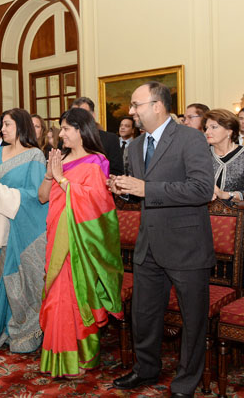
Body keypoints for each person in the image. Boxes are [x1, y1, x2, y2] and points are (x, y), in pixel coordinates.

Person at [110, 82, 214, 397]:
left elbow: (201, 190)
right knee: (143, 315)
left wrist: (146, 189)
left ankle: (186, 381)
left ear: (157, 105)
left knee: (193, 321)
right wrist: (125, 188)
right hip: (149, 245)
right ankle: (146, 368)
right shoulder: (137, 146)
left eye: (136, 104)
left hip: (186, 246)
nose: (130, 111)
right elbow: (143, 191)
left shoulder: (190, 138)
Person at [37, 108, 123, 377]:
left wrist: (63, 180)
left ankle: (83, 358)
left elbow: (99, 202)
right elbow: (42, 197)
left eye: (65, 129)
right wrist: (51, 175)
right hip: (57, 237)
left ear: (80, 130)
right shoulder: (58, 159)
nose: (60, 134)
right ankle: (58, 359)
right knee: (56, 297)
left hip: (81, 243)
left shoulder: (96, 161)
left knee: (78, 296)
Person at [0, 108, 48, 353]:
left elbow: (38, 194)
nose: (2, 129)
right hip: (3, 225)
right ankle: (9, 329)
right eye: (1, 125)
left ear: (21, 126)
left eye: (6, 124)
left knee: (27, 280)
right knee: (7, 279)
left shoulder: (35, 155)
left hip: (27, 226)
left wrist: (2, 193)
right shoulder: (0, 151)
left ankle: (28, 332)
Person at [72, 97, 124, 176]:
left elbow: (117, 172)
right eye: (75, 114)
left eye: (83, 113)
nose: (79, 118)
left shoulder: (110, 139)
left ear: (93, 115)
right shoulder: (66, 142)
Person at [203, 109, 244, 202]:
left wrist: (224, 194)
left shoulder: (242, 155)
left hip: (238, 214)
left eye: (213, 127)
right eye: (206, 128)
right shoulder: (201, 155)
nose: (207, 132)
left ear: (229, 131)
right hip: (203, 213)